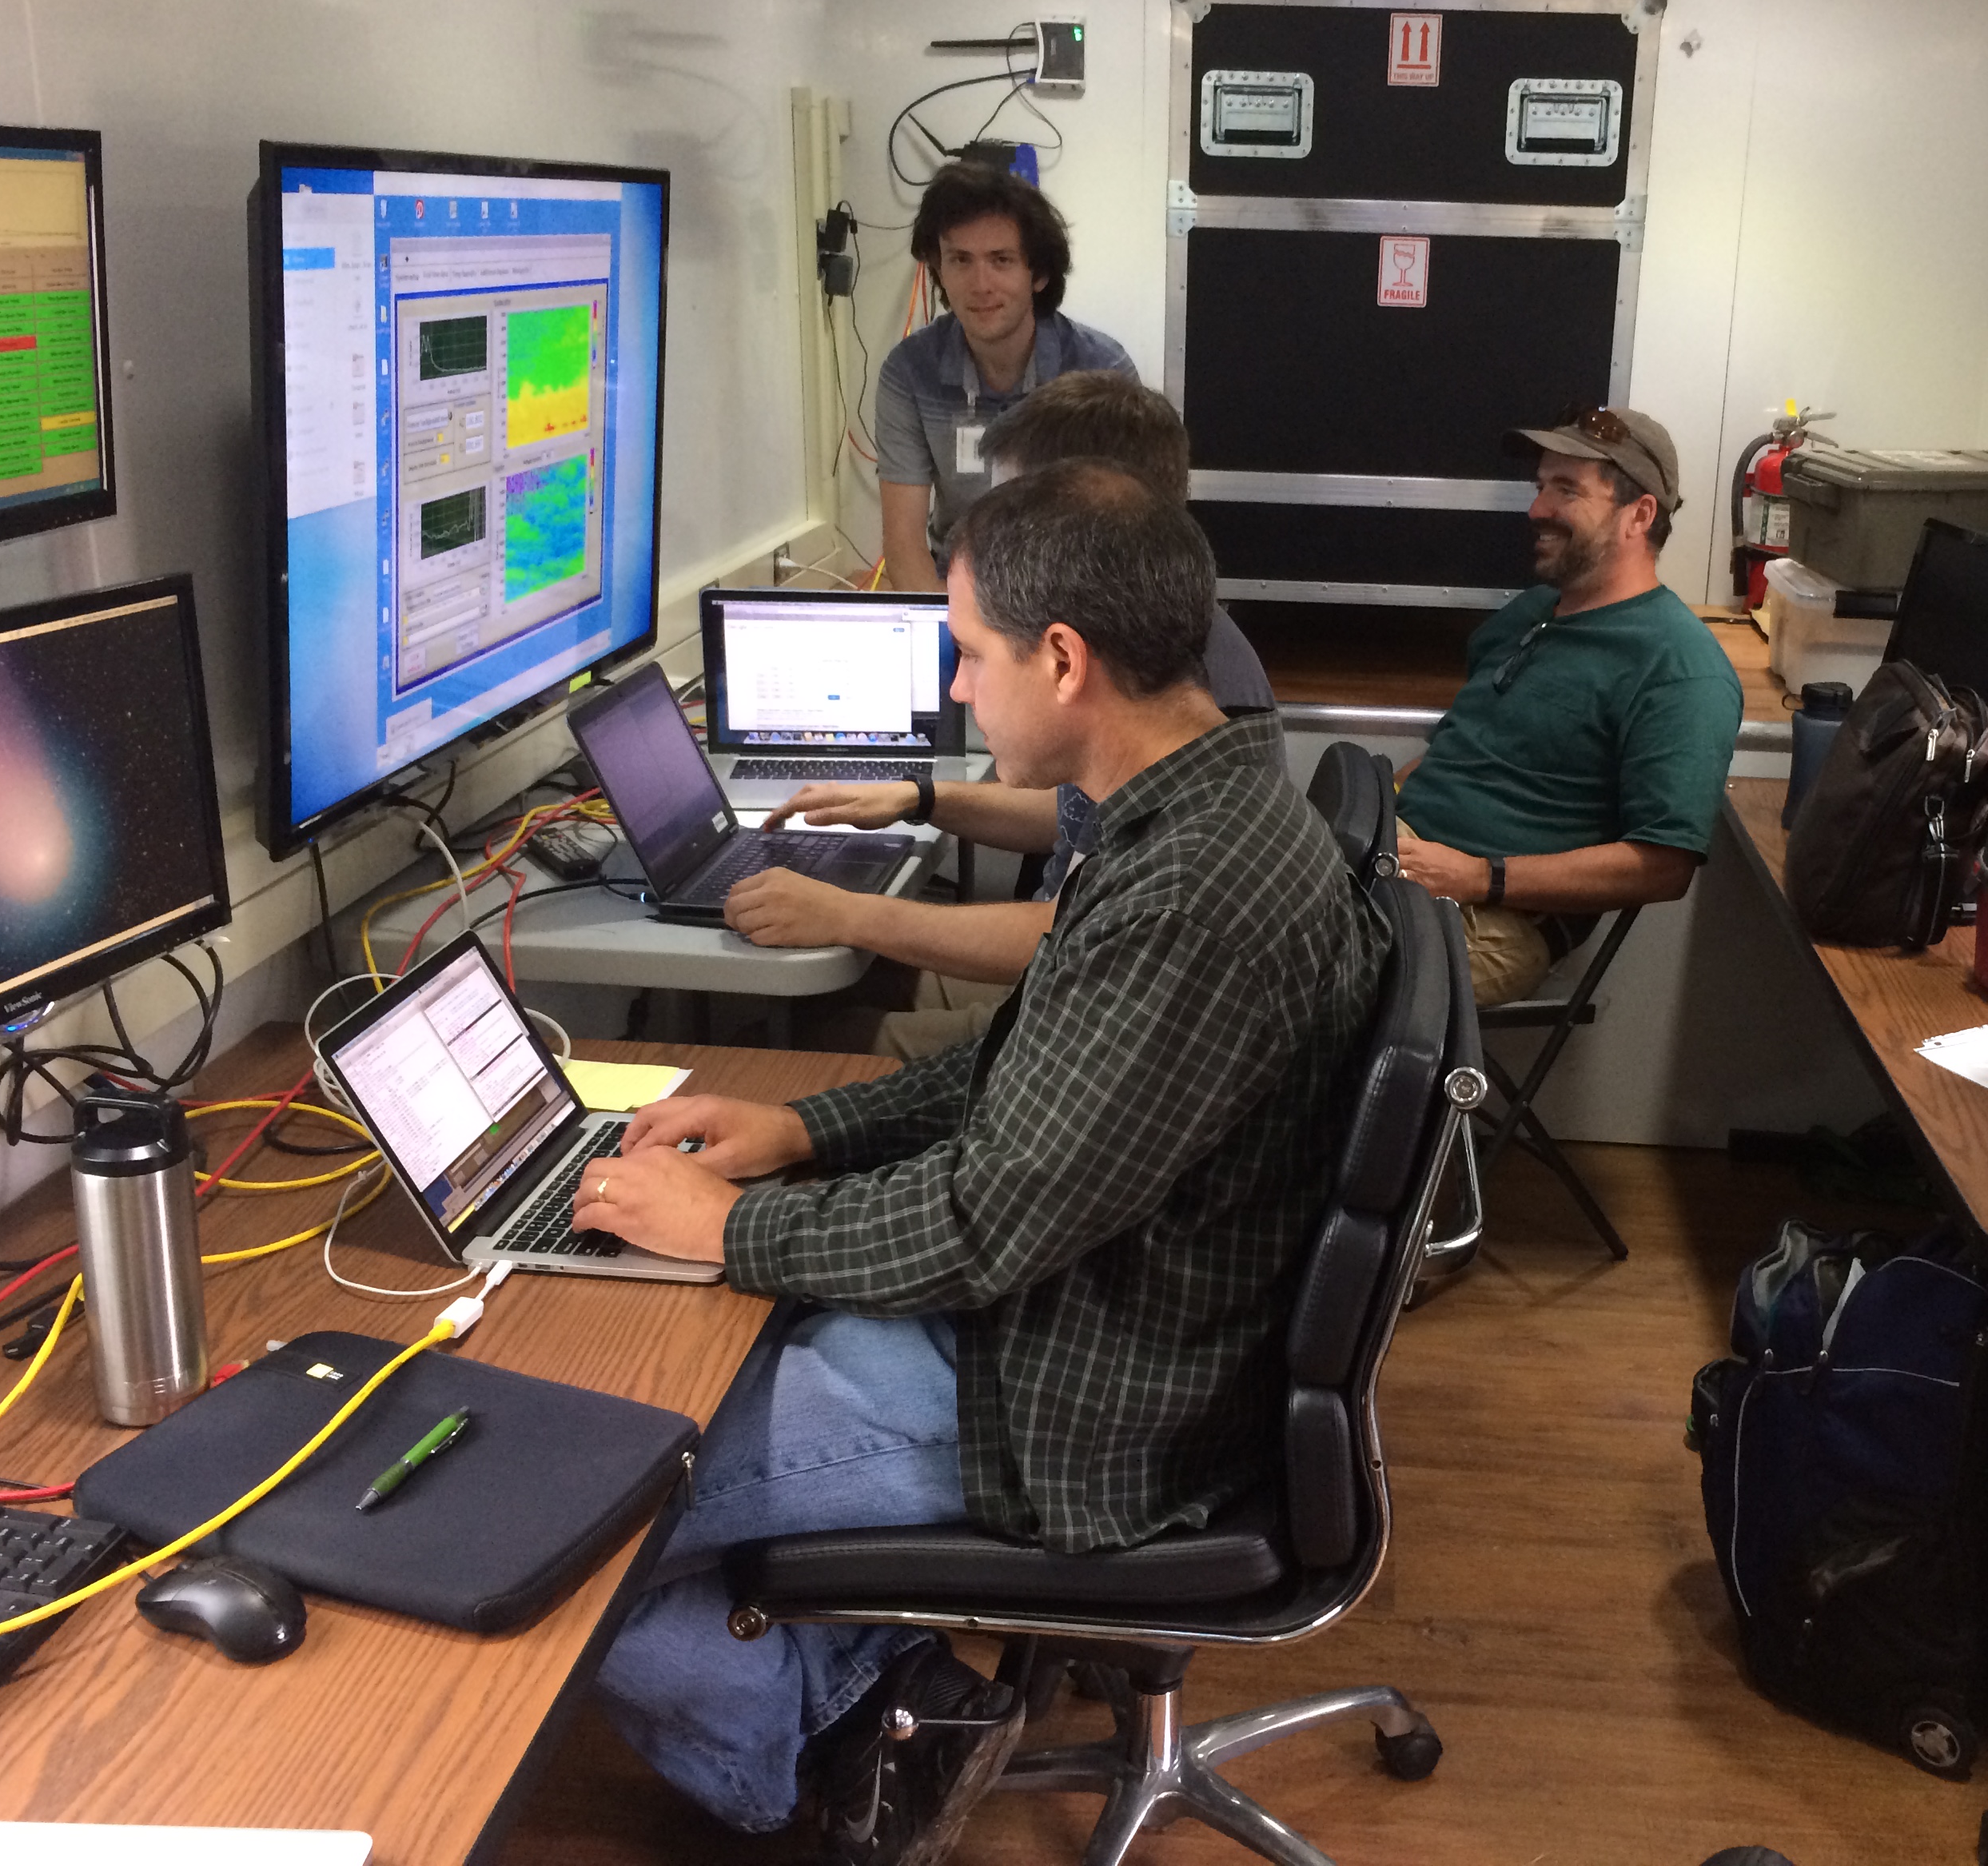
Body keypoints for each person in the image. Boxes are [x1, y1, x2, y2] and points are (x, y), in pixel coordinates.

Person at [571, 460, 1390, 1863]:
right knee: (652, 1394)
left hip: (1079, 1404)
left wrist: (726, 1228)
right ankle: (893, 1700)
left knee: (571, 1517)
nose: (956, 690)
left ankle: (828, 1782)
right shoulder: (1195, 807)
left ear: (1063, 660)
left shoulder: (1188, 892)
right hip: (1091, 1326)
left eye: (968, 653)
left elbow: (981, 1225)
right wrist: (800, 1130)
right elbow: (1023, 1067)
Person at [730, 370, 1278, 1061]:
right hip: (1060, 978)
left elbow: (1087, 934)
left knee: (788, 1046)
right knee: (826, 996)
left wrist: (851, 913)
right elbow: (1077, 820)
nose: (960, 688)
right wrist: (920, 797)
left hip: (1058, 993)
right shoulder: (1162, 658)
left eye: (1017, 505)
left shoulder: (1196, 697)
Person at [1392, 405, 1744, 1006]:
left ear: (1640, 515)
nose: (1537, 510)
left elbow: (1664, 866)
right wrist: (1379, 808)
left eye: (1566, 490)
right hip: (1400, 862)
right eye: (1540, 488)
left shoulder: (1680, 668)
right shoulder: (1531, 613)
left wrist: (1478, 876)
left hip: (1493, 919)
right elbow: (1459, 748)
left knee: (1283, 983)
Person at [874, 161, 1132, 590]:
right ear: (939, 269)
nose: (980, 284)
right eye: (960, 259)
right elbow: (904, 551)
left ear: (1039, 274)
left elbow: (1125, 542)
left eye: (1001, 260)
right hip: (955, 592)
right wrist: (965, 640)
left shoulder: (1103, 371)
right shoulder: (908, 374)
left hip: (1067, 596)